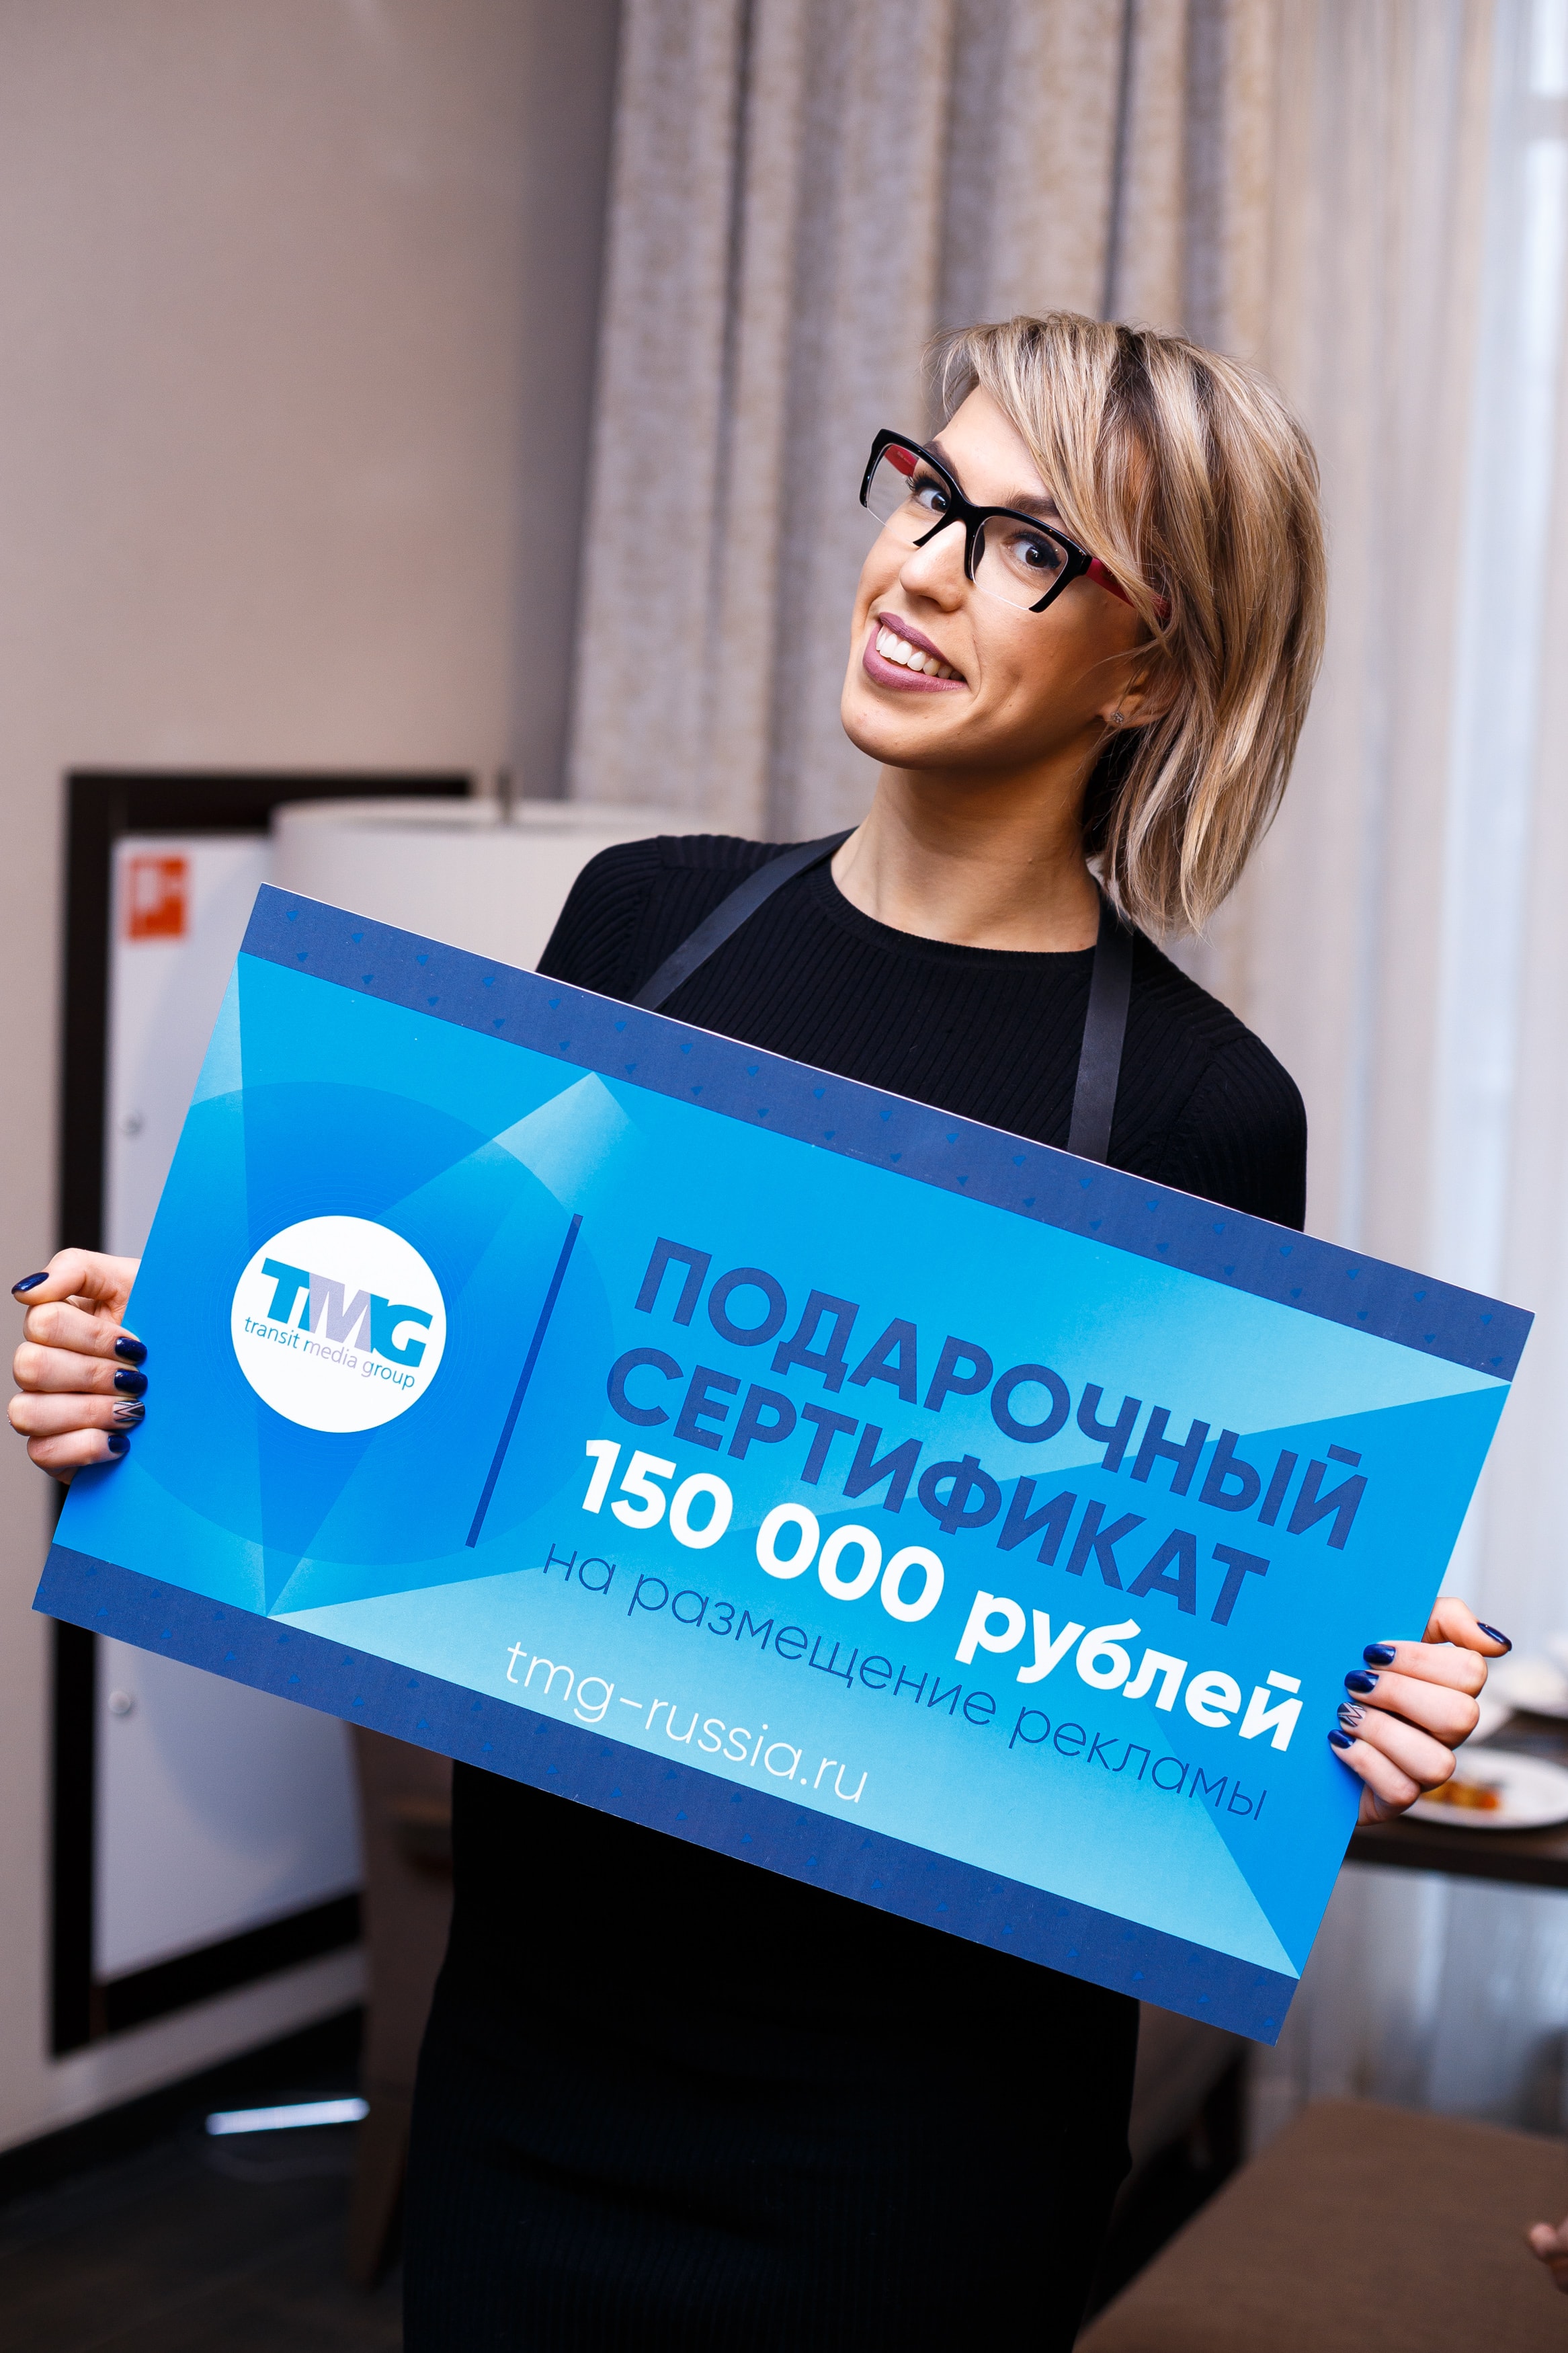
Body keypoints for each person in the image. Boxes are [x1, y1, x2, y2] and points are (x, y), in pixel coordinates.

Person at [10, 313, 1509, 2350]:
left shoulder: (1200, 1111)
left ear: (1150, 672)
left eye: (1030, 546)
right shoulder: (643, 923)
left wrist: (1359, 1704)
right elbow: (453, 1414)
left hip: (913, 2134)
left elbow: (1172, 1625)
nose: (923, 568)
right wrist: (149, 1377)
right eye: (929, 492)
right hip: (541, 2053)